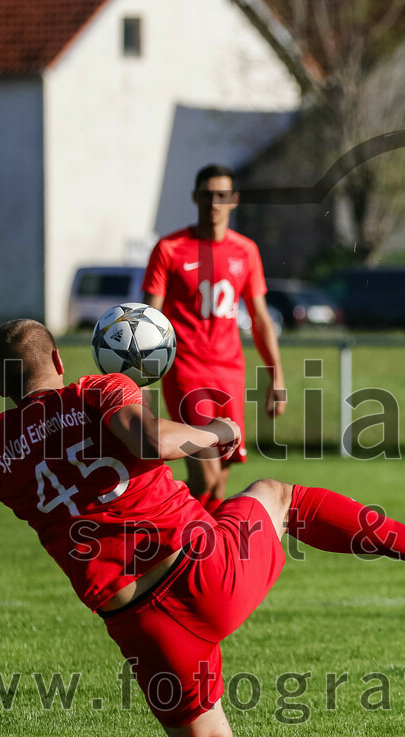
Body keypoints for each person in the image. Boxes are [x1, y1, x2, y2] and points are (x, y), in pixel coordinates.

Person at [0, 319, 405, 737]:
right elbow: (152, 440)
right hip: (201, 572)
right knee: (279, 496)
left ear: (0, 386)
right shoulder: (94, 389)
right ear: (59, 362)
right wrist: (221, 434)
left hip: (139, 626)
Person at [142, 164, 284, 513]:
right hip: (186, 371)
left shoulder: (245, 251)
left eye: (222, 196)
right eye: (207, 195)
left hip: (229, 372)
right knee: (204, 476)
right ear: (195, 197)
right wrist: (143, 380)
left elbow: (261, 319)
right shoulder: (170, 248)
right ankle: (150, 522)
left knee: (219, 481)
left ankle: (194, 553)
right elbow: (148, 321)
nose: (214, 203)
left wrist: (276, 376)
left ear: (234, 200)